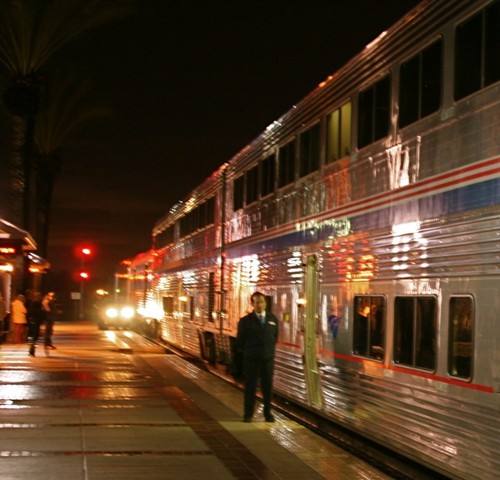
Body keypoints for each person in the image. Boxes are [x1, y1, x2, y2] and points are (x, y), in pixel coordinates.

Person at [236, 292, 278, 423]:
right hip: (252, 360)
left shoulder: (273, 319)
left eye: (262, 302)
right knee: (250, 388)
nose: (260, 305)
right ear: (252, 304)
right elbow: (240, 341)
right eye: (257, 302)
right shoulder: (245, 321)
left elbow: (275, 337)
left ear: (265, 303)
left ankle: (268, 414)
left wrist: (268, 352)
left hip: (267, 360)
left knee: (267, 388)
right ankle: (248, 414)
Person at [27, 291, 44, 356]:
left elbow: (30, 311)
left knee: (32, 334)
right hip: (37, 320)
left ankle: (32, 347)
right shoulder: (39, 303)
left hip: (34, 320)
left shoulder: (33, 303)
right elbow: (42, 312)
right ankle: (33, 345)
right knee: (35, 334)